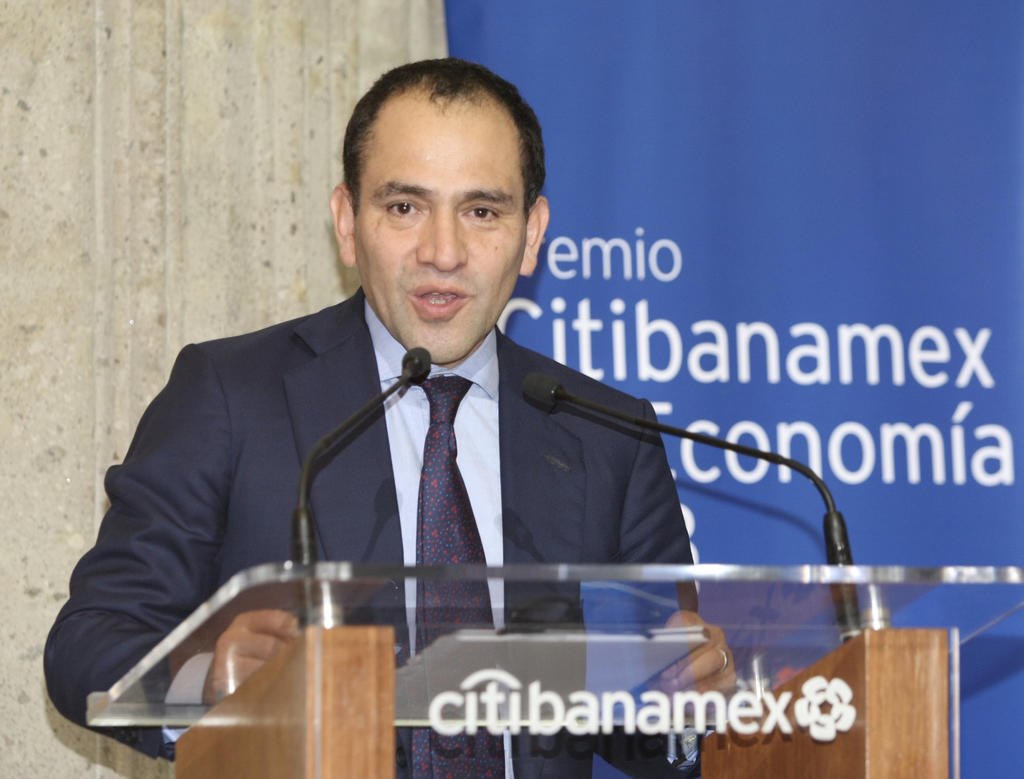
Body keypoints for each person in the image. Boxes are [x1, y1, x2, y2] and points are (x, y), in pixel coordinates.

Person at [45, 58, 733, 776]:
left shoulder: (607, 433)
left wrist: (681, 708)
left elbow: (652, 719)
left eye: (482, 211)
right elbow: (89, 643)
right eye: (405, 207)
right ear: (347, 223)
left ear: (532, 234)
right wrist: (204, 684)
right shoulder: (231, 395)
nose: (443, 253)